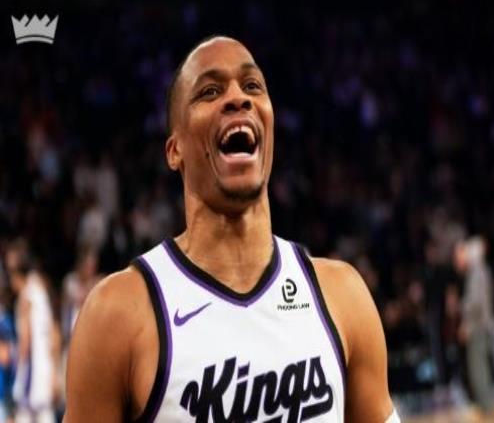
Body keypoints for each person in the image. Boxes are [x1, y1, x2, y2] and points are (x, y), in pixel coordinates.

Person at [65, 36, 399, 422]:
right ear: (174, 150)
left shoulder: (343, 296)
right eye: (210, 91)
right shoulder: (117, 315)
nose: (238, 98)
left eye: (252, 86)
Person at [5, 239, 59, 423]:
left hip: (32, 372)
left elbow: (25, 342)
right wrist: (54, 371)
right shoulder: (41, 287)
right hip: (45, 370)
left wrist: (15, 367)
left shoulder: (25, 299)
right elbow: (54, 332)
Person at [454, 236, 494, 417]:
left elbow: (475, 304)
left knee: (478, 369)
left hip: (478, 328)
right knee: (482, 368)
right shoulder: (479, 271)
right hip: (482, 326)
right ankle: (487, 404)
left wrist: (465, 322)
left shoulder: (477, 272)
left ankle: (487, 405)